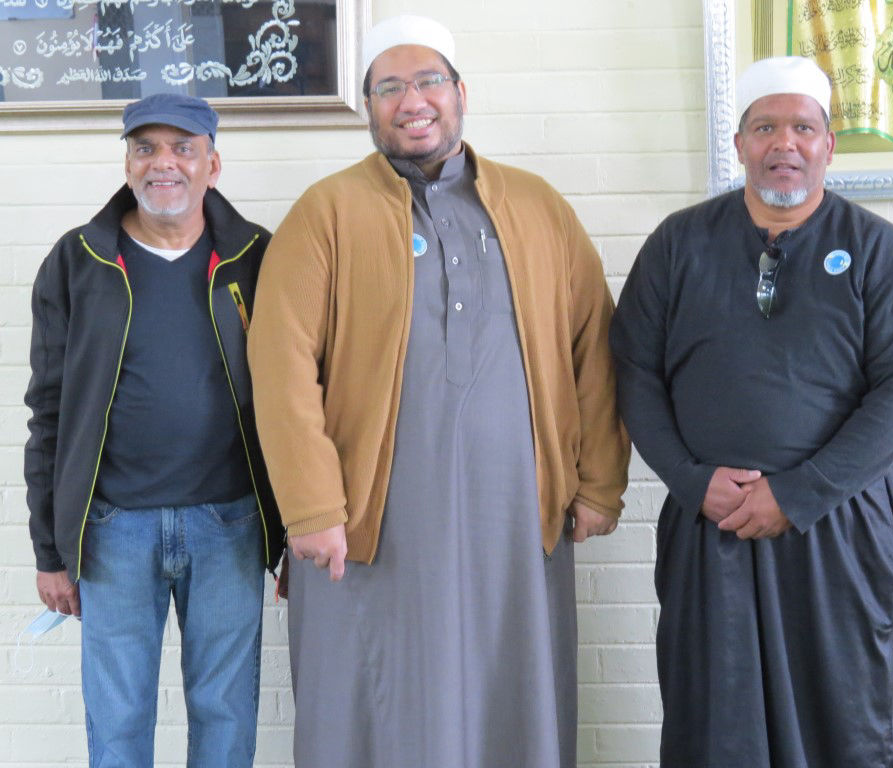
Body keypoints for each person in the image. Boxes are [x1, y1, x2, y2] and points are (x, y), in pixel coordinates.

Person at [247, 14, 629, 768]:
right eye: (389, 87)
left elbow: (595, 346)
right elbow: (280, 365)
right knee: (376, 703)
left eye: (428, 81)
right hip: (369, 522)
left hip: (517, 516)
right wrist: (312, 508)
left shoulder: (538, 207)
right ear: (368, 107)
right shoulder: (326, 212)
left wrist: (598, 485)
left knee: (511, 694)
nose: (411, 101)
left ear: (460, 93)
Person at [609, 56, 893, 767]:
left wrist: (799, 493)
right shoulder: (678, 245)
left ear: (829, 145)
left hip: (837, 530)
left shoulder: (878, 252)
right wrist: (691, 480)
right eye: (765, 128)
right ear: (739, 144)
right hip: (712, 526)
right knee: (714, 731)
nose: (783, 143)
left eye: (802, 128)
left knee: (843, 727)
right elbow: (634, 372)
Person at [24, 93, 285, 767]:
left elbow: (299, 398)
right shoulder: (79, 260)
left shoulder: (257, 257)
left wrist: (296, 528)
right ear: (127, 163)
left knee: (225, 712)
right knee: (118, 720)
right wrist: (50, 550)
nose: (163, 163)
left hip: (230, 524)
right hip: (113, 529)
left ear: (212, 165)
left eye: (183, 148)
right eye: (145, 148)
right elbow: (48, 412)